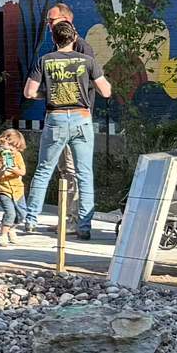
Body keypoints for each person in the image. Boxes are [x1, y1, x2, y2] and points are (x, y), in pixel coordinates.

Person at [21, 19, 111, 241]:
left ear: (54, 38)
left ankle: (31, 220)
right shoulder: (88, 61)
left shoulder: (45, 61)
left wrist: (47, 95)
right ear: (75, 37)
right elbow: (106, 91)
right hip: (81, 119)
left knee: (44, 171)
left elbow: (29, 93)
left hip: (56, 119)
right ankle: (84, 225)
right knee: (84, 174)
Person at [0, 127, 32, 243]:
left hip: (17, 189)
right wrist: (2, 170)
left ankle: (11, 229)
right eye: (10, 146)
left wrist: (13, 169)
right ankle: (2, 235)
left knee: (22, 214)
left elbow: (23, 172)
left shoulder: (17, 156)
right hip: (3, 189)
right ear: (2, 142)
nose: (12, 150)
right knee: (10, 212)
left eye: (15, 148)